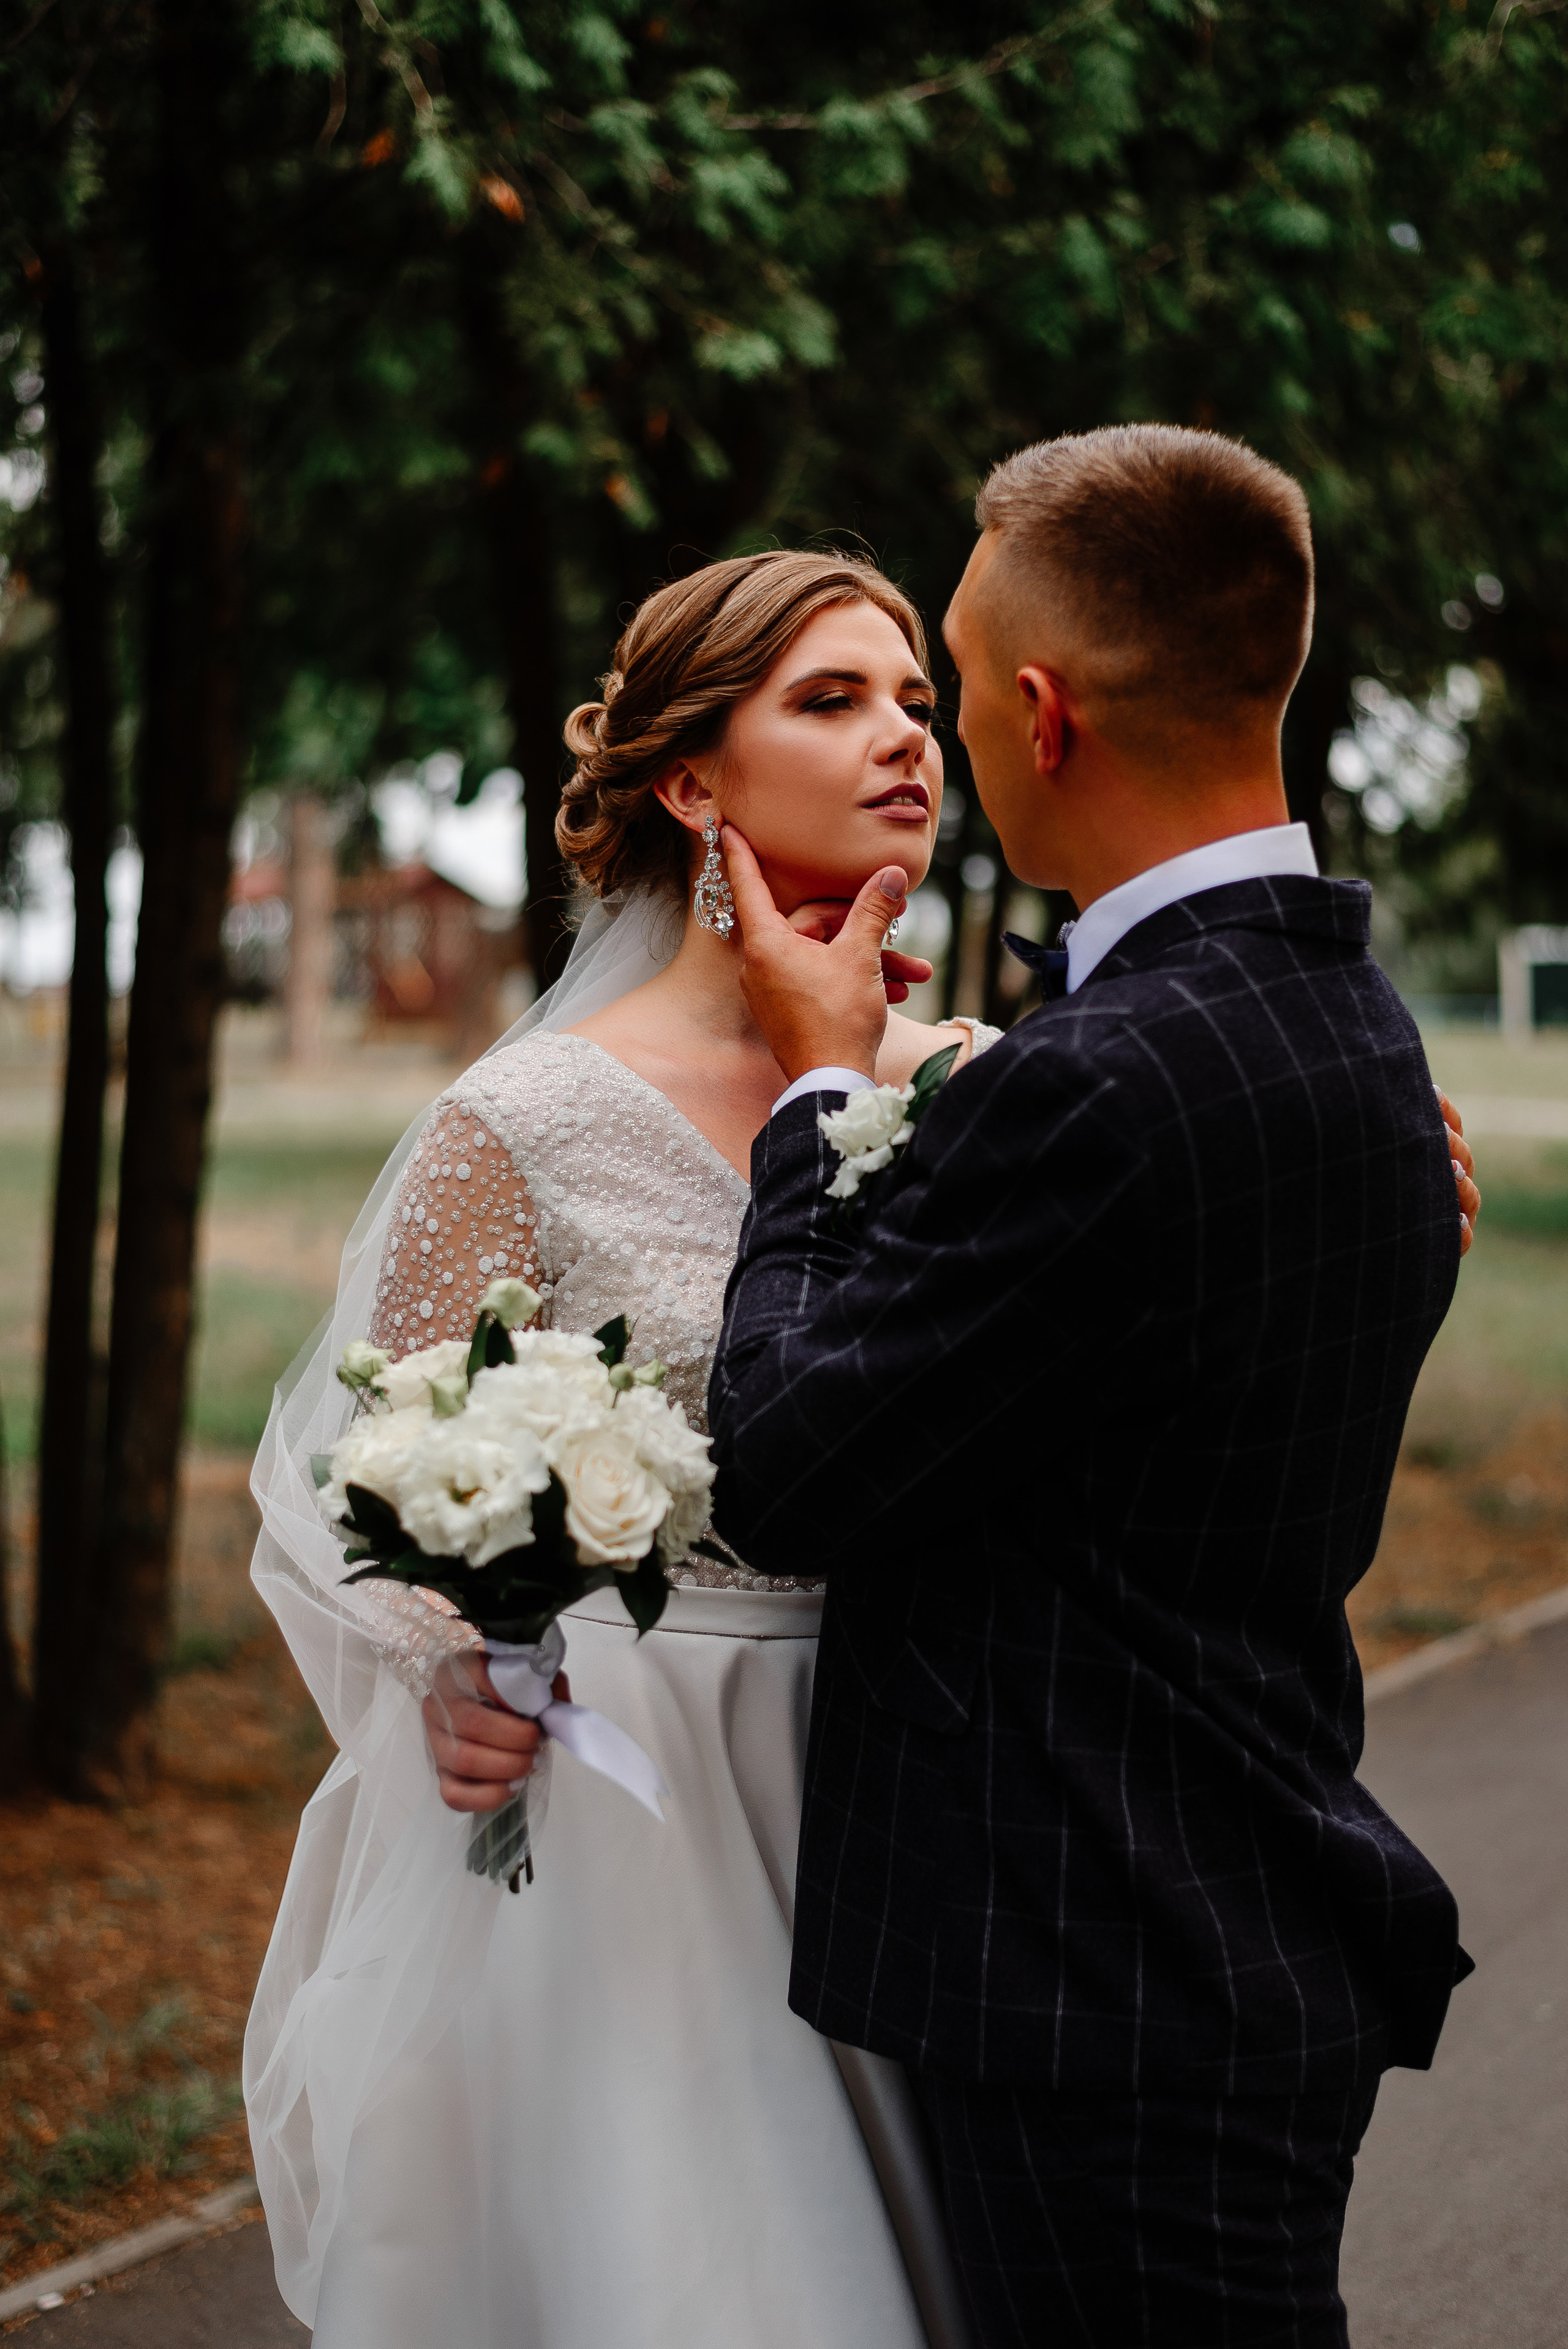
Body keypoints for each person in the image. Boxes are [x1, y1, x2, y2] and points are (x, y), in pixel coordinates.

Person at [706, 425, 1481, 2349]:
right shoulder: (1354, 1026)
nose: (937, 739)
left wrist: (813, 1101)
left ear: (1039, 717)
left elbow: (792, 1462)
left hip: (1106, 1979)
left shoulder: (1107, 1077)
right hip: (1225, 1930)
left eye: (950, 689)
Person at [246, 549, 991, 2349]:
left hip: (930, 1785)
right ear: (691, 780)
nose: (906, 739)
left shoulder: (978, 1080)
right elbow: (390, 1466)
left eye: (918, 700)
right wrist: (448, 1664)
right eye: (833, 700)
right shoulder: (523, 1120)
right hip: (630, 1813)